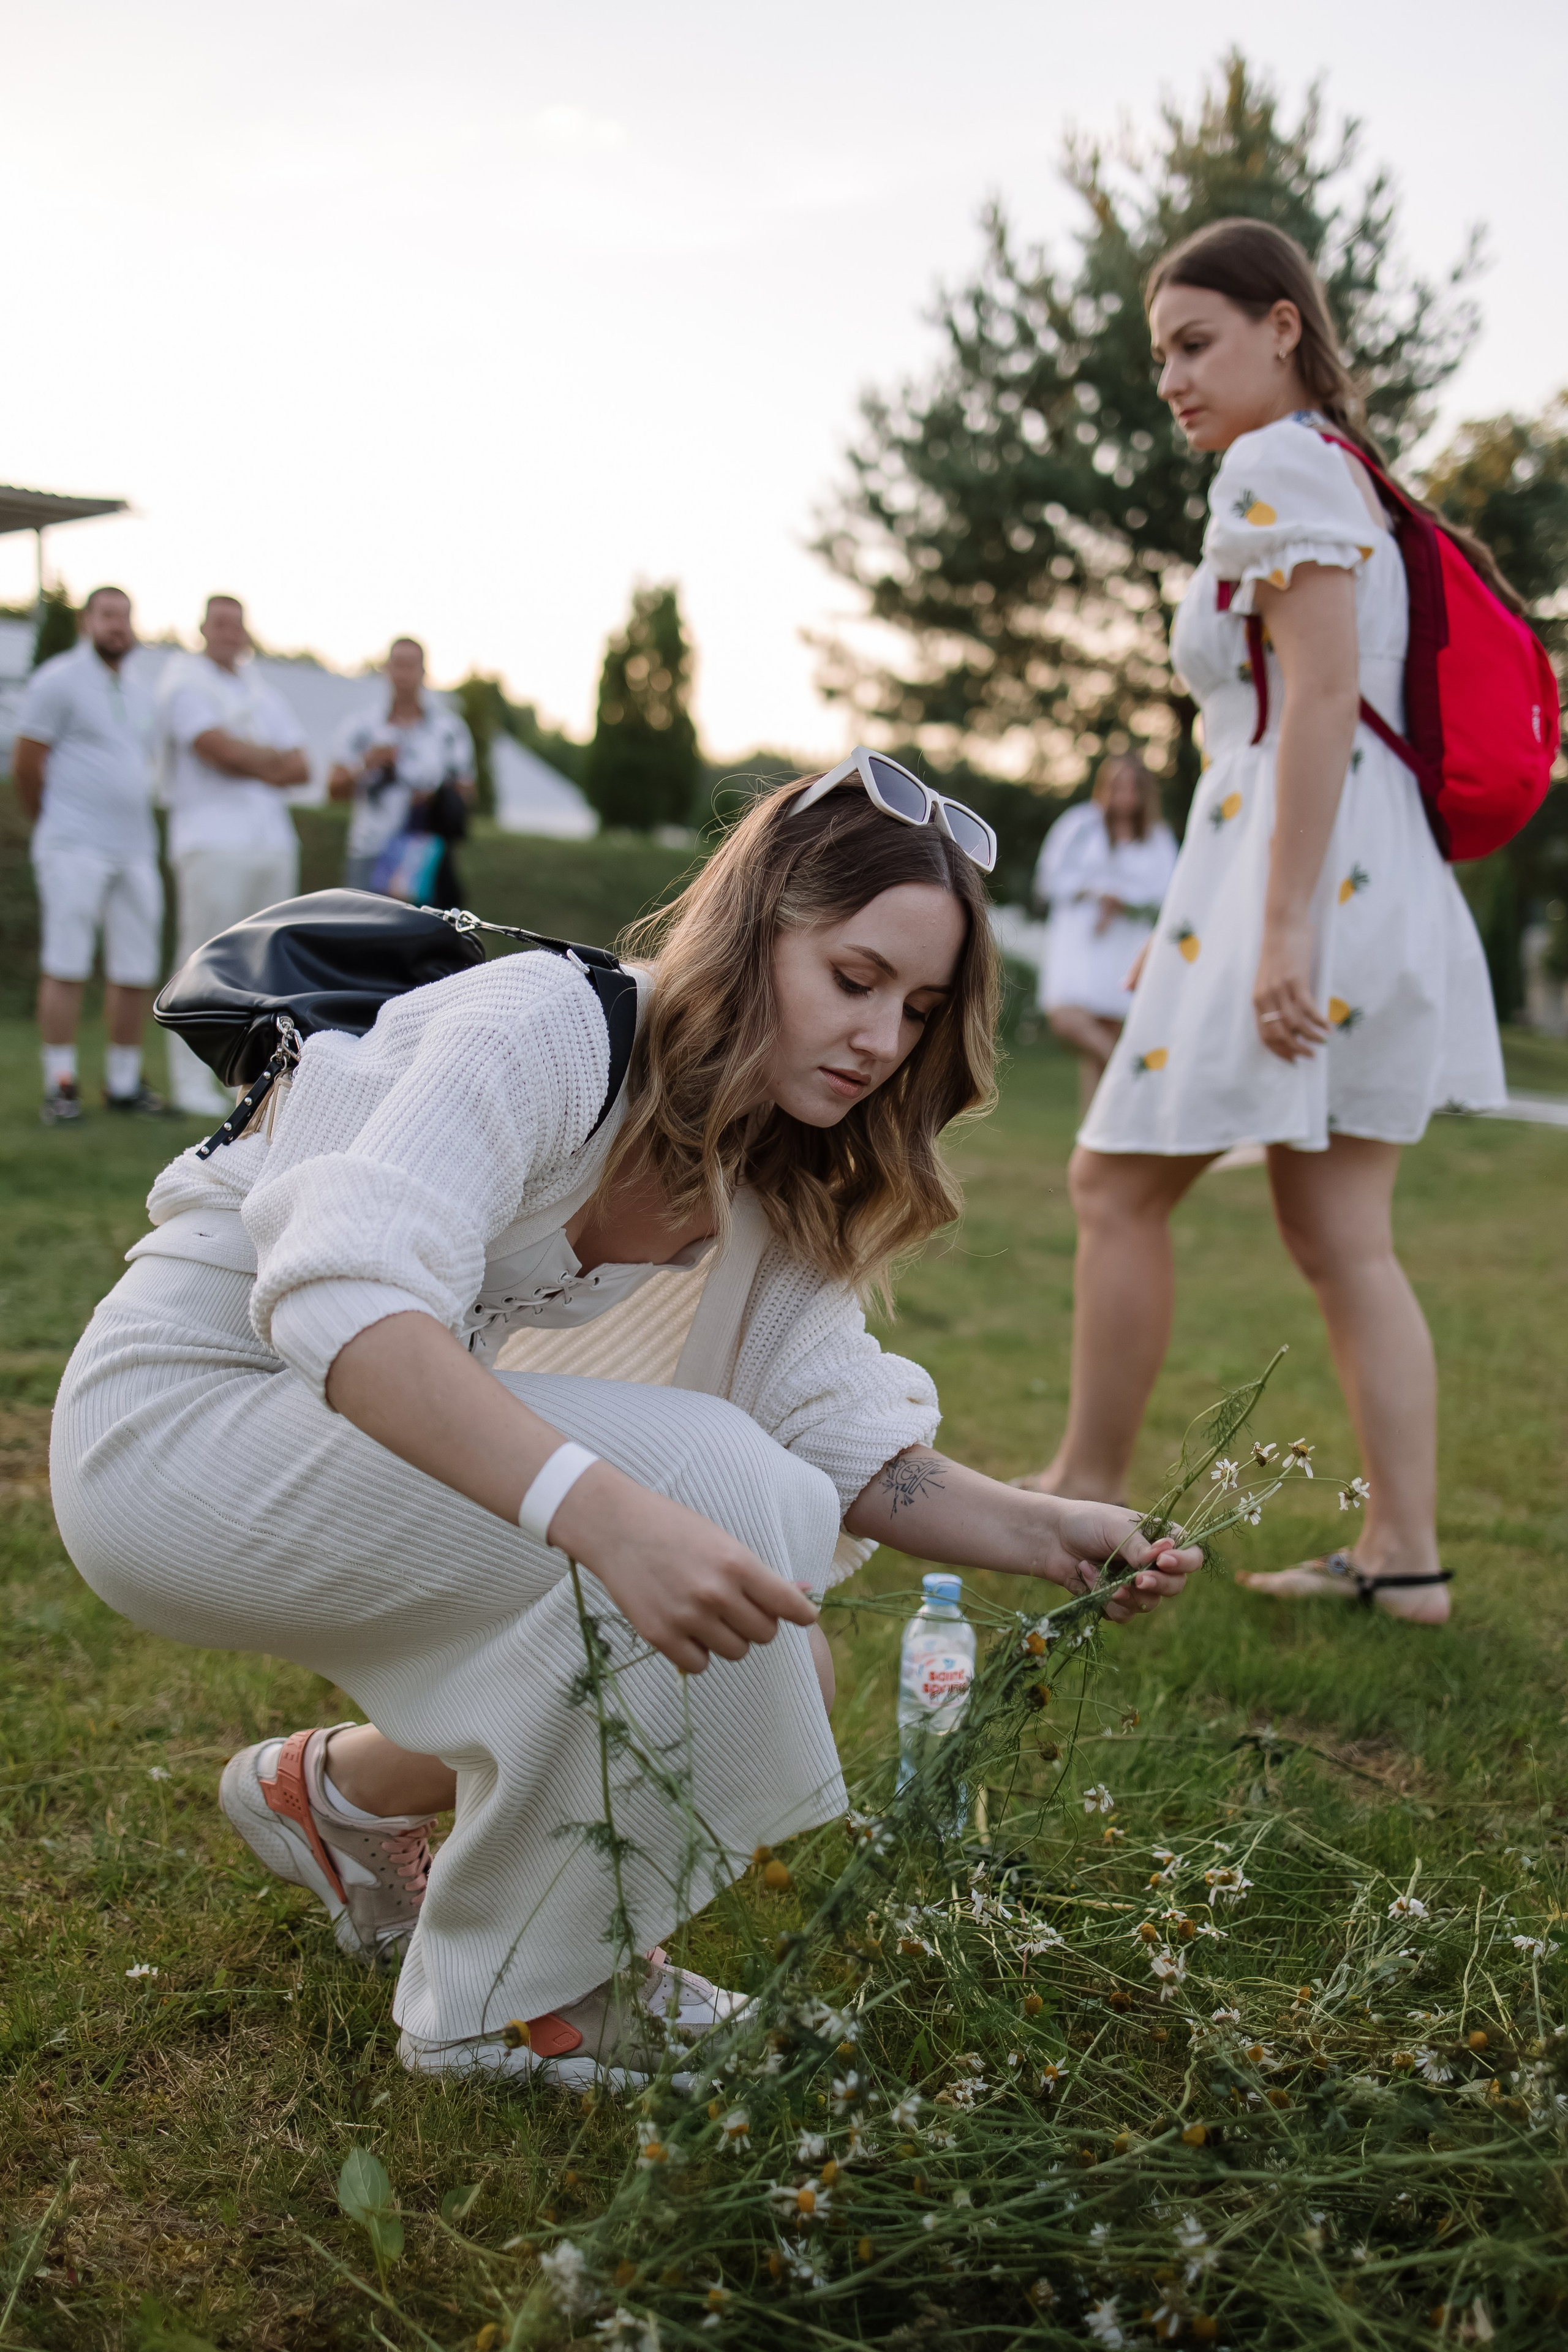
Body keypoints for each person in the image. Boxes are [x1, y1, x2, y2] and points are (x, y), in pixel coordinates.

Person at [49, 753, 1202, 2087]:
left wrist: (1047, 1532)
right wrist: (606, 1519)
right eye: (854, 979)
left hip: (319, 1438)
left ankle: (337, 1798)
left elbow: (836, 1432)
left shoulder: (766, 1157)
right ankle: (521, 1996)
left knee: (771, 1642)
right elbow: (345, 1306)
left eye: (919, 1009)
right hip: (182, 1428)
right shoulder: (549, 1023)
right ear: (754, 935)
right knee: (712, 1495)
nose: (883, 1040)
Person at [1018, 219, 1512, 1629]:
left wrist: (1281, 929)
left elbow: (1314, 701)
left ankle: (1080, 1486)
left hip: (1309, 884)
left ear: (1279, 327)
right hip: (1363, 874)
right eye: (1157, 355)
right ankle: (1402, 1558)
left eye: (1194, 343)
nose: (1169, 379)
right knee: (1339, 1228)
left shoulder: (1275, 464)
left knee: (1112, 1186)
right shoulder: (1344, 470)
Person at [12, 586, 169, 1123]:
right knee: (67, 962)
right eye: (107, 615)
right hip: (73, 845)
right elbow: (27, 763)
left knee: (136, 968)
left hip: (136, 849)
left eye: (125, 616)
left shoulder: (142, 692)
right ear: (87, 622)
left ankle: (124, 1085)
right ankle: (61, 1086)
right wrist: (53, 823)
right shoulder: (57, 680)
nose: (117, 626)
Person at [158, 596, 310, 1115]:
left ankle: (250, 1079)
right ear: (203, 628)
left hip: (270, 842)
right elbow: (216, 750)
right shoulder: (183, 682)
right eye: (220, 623)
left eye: (237, 625)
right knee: (203, 958)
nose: (229, 633)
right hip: (210, 841)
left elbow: (301, 767)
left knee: (265, 965)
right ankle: (189, 1080)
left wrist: (248, 755)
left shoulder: (261, 690)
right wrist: (265, 758)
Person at [1034, 755, 1178, 1107]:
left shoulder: (1157, 837)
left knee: (1101, 1043)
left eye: (1132, 788)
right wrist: (1097, 893)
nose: (1124, 796)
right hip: (1080, 943)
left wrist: (1124, 900)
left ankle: (1095, 1132)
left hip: (1123, 946)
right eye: (1117, 786)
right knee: (1067, 1018)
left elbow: (1170, 892)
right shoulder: (1080, 825)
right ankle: (1134, 1073)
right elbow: (1050, 878)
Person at [328, 636, 475, 899]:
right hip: (370, 849)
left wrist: (433, 797)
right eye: (398, 664)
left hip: (424, 855)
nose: (404, 674)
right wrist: (368, 764)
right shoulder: (363, 726)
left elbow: (468, 792)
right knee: (363, 922)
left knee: (422, 925)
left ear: (424, 672)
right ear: (386, 669)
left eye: (411, 665)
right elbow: (333, 790)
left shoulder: (449, 730)